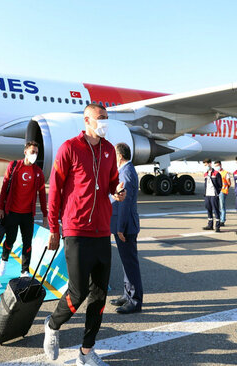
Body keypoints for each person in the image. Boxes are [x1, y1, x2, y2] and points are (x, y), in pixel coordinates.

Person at [44, 103, 126, 365]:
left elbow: (112, 181)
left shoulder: (109, 151)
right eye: (100, 118)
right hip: (76, 229)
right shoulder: (70, 148)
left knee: (100, 294)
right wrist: (54, 228)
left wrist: (118, 190)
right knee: (77, 293)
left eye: (106, 118)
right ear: (87, 120)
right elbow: (55, 190)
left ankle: (86, 352)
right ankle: (53, 325)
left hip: (101, 230)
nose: (105, 122)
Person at [0, 141, 48, 277]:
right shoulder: (14, 166)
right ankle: (4, 259)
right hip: (12, 212)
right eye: (32, 152)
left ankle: (25, 271)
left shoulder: (38, 172)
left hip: (27, 215)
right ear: (25, 152)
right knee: (10, 239)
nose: (34, 155)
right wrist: (1, 208)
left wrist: (45, 214)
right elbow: (4, 189)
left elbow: (42, 194)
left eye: (36, 152)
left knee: (27, 243)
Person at [110, 142, 142, 314]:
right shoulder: (124, 171)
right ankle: (127, 294)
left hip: (126, 226)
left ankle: (135, 300)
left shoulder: (127, 172)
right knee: (125, 262)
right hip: (122, 224)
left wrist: (120, 228)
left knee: (130, 263)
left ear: (120, 156)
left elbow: (124, 202)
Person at [202, 158, 222, 232]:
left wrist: (217, 192)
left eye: (206, 164)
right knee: (208, 209)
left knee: (216, 210)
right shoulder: (205, 174)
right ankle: (210, 225)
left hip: (214, 194)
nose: (206, 166)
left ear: (210, 164)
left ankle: (217, 226)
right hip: (207, 194)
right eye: (205, 165)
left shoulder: (216, 173)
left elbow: (220, 185)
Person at [214, 161, 230, 226]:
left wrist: (225, 189)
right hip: (216, 191)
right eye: (215, 166)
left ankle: (222, 220)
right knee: (217, 206)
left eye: (217, 165)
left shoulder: (225, 173)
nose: (216, 167)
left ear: (220, 165)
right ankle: (219, 219)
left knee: (222, 206)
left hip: (223, 191)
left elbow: (229, 183)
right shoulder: (215, 173)